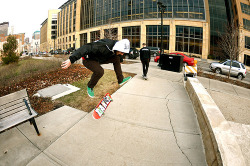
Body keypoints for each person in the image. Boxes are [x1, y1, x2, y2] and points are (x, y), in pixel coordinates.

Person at [61, 39, 132, 98]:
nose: (122, 54)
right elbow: (85, 48)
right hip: (88, 59)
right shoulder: (102, 46)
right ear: (117, 48)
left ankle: (120, 80)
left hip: (100, 58)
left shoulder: (117, 45)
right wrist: (71, 59)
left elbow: (119, 55)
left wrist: (120, 60)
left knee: (117, 59)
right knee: (100, 71)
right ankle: (90, 86)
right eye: (122, 52)